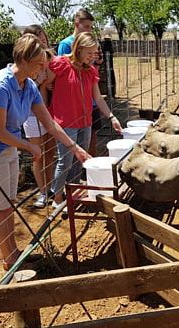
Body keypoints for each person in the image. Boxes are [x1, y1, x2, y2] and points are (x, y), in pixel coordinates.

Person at [0, 34, 91, 270]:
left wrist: (74, 147)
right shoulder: (0, 86)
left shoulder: (28, 86)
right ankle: (10, 260)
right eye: (39, 64)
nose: (43, 69)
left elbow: (50, 124)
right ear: (24, 60)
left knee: (9, 204)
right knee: (0, 208)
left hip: (9, 149)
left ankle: (14, 253)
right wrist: (29, 146)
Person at [48, 32, 123, 209]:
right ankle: (57, 197)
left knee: (78, 160)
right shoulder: (60, 64)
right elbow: (45, 85)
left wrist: (111, 117)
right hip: (64, 123)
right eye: (89, 53)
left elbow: (98, 98)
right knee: (65, 161)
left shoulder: (90, 71)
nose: (92, 57)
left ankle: (72, 192)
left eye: (94, 53)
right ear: (79, 50)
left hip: (85, 122)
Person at [57, 8, 106, 156]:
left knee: (92, 136)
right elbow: (63, 76)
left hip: (89, 100)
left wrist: (97, 63)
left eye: (91, 27)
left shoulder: (90, 43)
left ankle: (87, 168)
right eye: (86, 26)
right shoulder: (66, 44)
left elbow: (89, 71)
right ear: (76, 24)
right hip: (73, 106)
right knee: (70, 151)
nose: (89, 30)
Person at [21, 25, 57, 208]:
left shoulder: (50, 58)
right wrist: (40, 82)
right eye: (39, 40)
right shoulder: (28, 65)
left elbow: (50, 80)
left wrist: (46, 83)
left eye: (44, 39)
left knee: (50, 152)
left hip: (49, 111)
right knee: (37, 154)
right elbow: (36, 86)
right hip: (31, 114)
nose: (43, 42)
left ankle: (49, 187)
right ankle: (42, 191)